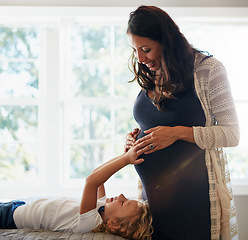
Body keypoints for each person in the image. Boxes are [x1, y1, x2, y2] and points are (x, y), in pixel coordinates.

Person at [125, 5, 239, 240]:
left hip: (194, 205)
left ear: (166, 41)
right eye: (135, 50)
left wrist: (177, 133)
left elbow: (231, 134)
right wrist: (134, 140)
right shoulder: (151, 74)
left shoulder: (208, 70)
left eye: (146, 49)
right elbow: (154, 124)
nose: (140, 58)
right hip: (152, 206)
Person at [0, 144, 153, 240]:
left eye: (123, 202)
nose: (120, 196)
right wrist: (125, 154)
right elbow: (97, 175)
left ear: (112, 223)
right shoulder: (100, 208)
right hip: (20, 207)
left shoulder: (90, 223)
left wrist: (126, 160)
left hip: (13, 218)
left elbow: (91, 181)